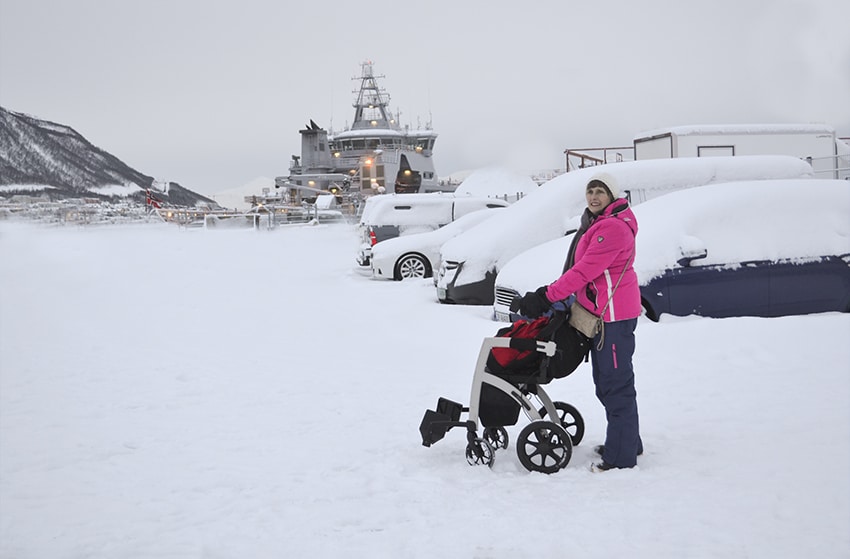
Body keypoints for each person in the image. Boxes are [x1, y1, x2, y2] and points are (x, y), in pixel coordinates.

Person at [518, 171, 643, 471]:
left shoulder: (610, 229)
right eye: (590, 191)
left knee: (615, 384)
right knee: (609, 382)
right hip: (604, 316)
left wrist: (546, 296)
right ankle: (627, 441)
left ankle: (621, 457)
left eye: (600, 191)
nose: (594, 197)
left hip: (611, 318)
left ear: (612, 196)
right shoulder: (601, 223)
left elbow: (583, 272)